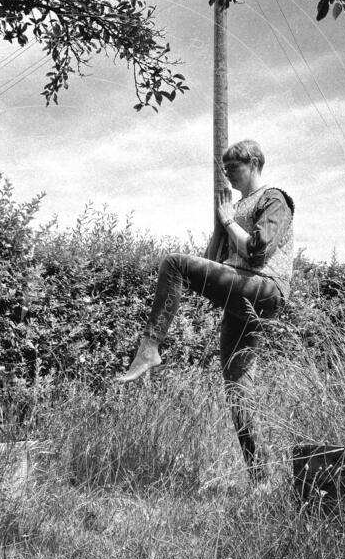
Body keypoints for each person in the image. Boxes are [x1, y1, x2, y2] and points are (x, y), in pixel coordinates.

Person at [115, 139, 294, 482]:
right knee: (236, 385)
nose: (229, 176)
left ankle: (150, 348)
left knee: (174, 264)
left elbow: (257, 251)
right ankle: (261, 478)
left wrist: (228, 220)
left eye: (234, 168)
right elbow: (214, 264)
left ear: (255, 163)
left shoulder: (275, 198)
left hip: (265, 286)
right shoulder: (236, 207)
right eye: (225, 170)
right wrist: (221, 223)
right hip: (243, 294)